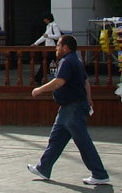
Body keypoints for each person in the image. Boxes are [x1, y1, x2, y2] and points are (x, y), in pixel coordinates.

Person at [27, 35, 110, 185]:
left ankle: (99, 174)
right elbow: (85, 82)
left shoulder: (67, 61)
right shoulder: (75, 60)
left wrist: (39, 89)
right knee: (56, 139)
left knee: (83, 141)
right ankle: (43, 168)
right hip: (68, 108)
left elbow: (59, 82)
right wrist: (89, 99)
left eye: (58, 45)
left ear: (66, 47)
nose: (56, 48)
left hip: (74, 107)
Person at [32, 12, 62, 85]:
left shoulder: (54, 25)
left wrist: (48, 36)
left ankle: (39, 77)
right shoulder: (48, 26)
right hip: (48, 48)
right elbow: (43, 37)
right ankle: (40, 78)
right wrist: (36, 43)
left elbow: (58, 36)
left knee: (47, 63)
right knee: (48, 63)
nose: (44, 20)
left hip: (53, 48)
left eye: (45, 19)